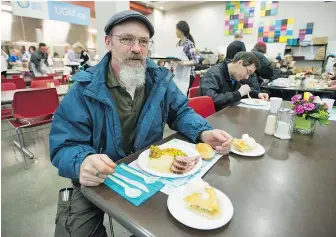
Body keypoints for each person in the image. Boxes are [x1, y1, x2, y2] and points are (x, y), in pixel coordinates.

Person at [49, 10, 233, 237]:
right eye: (126, 39)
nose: (137, 48)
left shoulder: (159, 80)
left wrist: (204, 132)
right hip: (98, 178)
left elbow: (182, 111)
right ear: (108, 42)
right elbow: (64, 144)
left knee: (171, 228)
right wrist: (82, 162)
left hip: (149, 172)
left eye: (143, 41)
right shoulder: (84, 89)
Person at [200, 52, 269, 111]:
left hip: (226, 114)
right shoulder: (213, 74)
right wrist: (238, 94)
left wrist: (257, 94)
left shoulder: (233, 75)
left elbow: (242, 91)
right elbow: (210, 100)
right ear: (240, 63)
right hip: (213, 118)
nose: (247, 77)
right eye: (248, 72)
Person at [174, 20, 198, 95]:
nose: (175, 31)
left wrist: (183, 63)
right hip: (179, 73)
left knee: (183, 96)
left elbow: (195, 61)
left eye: (177, 29)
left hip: (188, 75)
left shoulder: (189, 44)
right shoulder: (178, 44)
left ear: (181, 31)